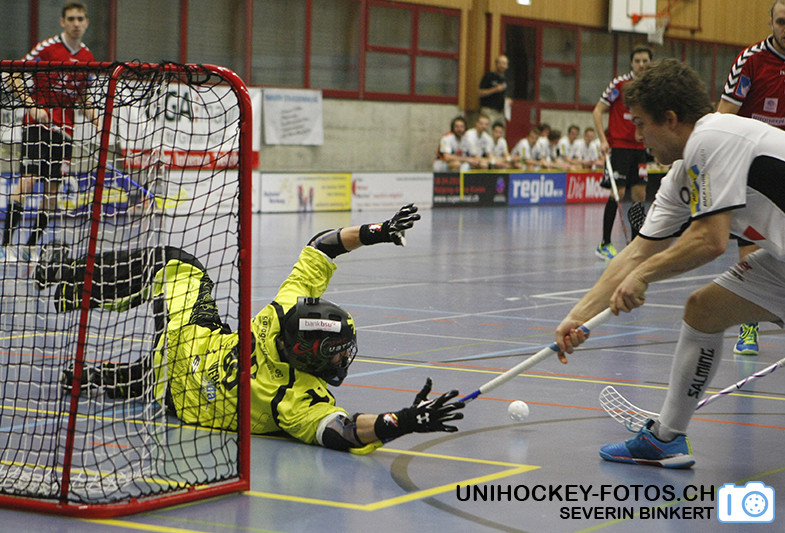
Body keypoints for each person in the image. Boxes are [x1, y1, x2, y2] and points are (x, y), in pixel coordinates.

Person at [46, 205, 465, 452]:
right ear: (306, 354)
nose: (343, 358)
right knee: (152, 377)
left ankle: (73, 284)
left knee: (177, 264)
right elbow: (346, 432)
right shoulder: (296, 398)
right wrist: (402, 421)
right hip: (177, 396)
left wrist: (376, 232)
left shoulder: (286, 308)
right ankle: (103, 373)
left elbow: (323, 245)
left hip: (190, 335)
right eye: (336, 352)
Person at [554, 58, 785, 469]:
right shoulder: (682, 174)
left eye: (641, 124)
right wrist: (578, 316)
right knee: (704, 309)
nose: (637, 136)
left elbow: (709, 240)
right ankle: (666, 439)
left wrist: (643, 277)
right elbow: (636, 252)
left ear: (672, 119)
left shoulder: (713, 138)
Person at [2, 1, 98, 261]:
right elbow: (12, 74)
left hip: (64, 131)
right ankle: (5, 245)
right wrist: (32, 106)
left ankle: (31, 247)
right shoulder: (46, 49)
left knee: (52, 191)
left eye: (80, 19)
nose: (76, 23)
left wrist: (98, 121)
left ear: (86, 23)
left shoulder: (88, 58)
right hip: (37, 126)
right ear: (63, 22)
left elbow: (83, 97)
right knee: (28, 181)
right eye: (71, 19)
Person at [715, 0, 785, 356]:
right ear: (770, 22)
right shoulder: (751, 61)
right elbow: (724, 114)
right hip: (751, 166)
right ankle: (748, 326)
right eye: (782, 21)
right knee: (751, 247)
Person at [592, 45, 653, 260]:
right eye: (637, 61)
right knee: (617, 193)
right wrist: (603, 139)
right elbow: (598, 110)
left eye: (645, 61)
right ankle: (605, 243)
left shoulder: (651, 88)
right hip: (619, 147)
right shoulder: (619, 85)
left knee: (640, 195)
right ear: (631, 63)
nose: (641, 65)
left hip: (640, 148)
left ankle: (635, 245)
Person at [478, 55, 510, 126]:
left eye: (504, 64)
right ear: (496, 64)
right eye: (500, 63)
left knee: (500, 130)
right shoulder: (489, 76)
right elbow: (480, 93)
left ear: (507, 66)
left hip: (500, 111)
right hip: (489, 110)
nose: (502, 66)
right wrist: (494, 89)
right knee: (489, 130)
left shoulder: (505, 79)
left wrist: (507, 100)